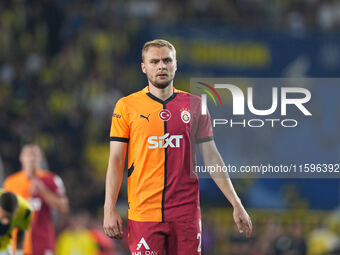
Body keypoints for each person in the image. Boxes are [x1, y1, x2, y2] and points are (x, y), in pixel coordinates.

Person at [103, 39, 253, 254]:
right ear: (144, 67)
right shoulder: (127, 106)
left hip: (186, 214)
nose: (161, 66)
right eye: (154, 61)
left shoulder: (195, 105)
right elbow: (117, 160)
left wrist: (236, 203)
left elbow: (211, 157)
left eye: (167, 60)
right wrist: (109, 208)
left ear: (176, 64)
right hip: (144, 213)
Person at [4, 144, 69, 255]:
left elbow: (63, 207)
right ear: (21, 158)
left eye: (35, 155)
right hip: (19, 243)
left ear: (41, 158)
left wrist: (42, 190)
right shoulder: (11, 183)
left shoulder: (51, 179)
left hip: (43, 240)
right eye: (28, 155)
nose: (31, 158)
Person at [0, 190, 33, 255]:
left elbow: (21, 232)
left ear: (17, 211)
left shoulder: (26, 212)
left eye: (9, 217)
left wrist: (19, 253)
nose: (5, 221)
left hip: (5, 245)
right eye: (4, 216)